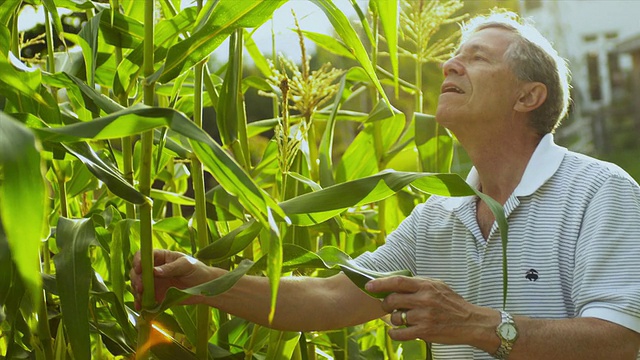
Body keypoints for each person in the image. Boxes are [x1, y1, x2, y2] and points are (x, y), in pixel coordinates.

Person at [130, 10, 640, 359]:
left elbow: (622, 341)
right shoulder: (437, 217)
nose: (449, 64)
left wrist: (474, 324)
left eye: (479, 57)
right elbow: (329, 297)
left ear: (528, 96)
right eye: (456, 54)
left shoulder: (598, 193)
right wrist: (201, 280)